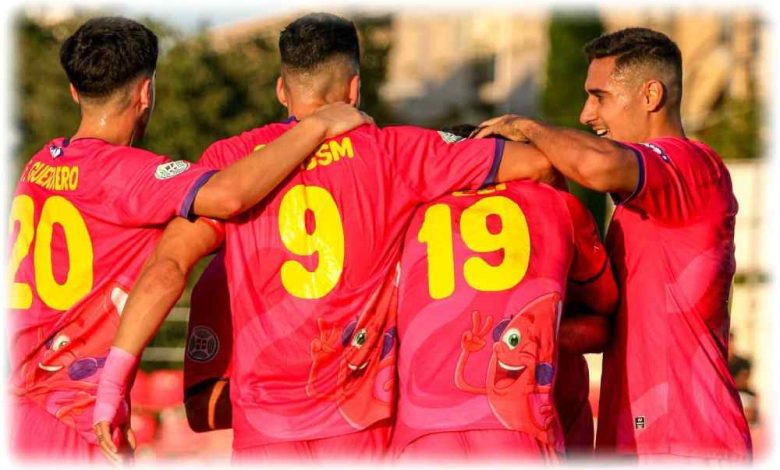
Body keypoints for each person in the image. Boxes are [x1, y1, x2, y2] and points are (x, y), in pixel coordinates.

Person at [93, 12, 559, 461]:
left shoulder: (231, 160)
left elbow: (168, 267)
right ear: (354, 89)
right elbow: (539, 164)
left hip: (265, 430)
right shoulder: (396, 152)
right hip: (359, 426)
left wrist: (112, 389)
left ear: (282, 90)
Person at [8, 16, 369, 463]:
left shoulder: (41, 163)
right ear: (146, 92)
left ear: (74, 91)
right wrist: (317, 126)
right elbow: (229, 195)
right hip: (65, 413)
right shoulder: (125, 174)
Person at [473, 27, 751, 461]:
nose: (586, 114)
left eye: (599, 96)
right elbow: (606, 330)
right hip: (633, 441)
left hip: (688, 440)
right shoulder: (638, 207)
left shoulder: (693, 166)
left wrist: (523, 126)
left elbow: (596, 166)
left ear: (651, 95)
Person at [391, 125, 617, 461]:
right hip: (516, 427)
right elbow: (606, 306)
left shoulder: (407, 214)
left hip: (419, 431)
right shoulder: (558, 204)